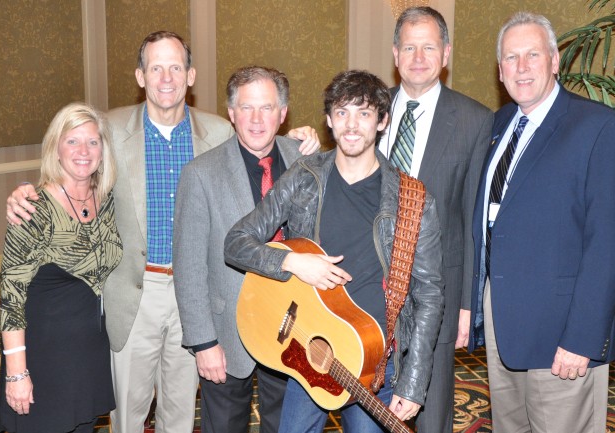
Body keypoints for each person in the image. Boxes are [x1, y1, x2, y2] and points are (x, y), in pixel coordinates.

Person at [5, 31, 320, 433]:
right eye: (156, 67)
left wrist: (299, 136)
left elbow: (262, 145)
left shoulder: (221, 130)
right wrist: (27, 191)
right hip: (136, 292)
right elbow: (73, 162)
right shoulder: (111, 130)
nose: (166, 77)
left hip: (203, 295)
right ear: (140, 76)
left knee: (180, 413)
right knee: (128, 413)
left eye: (176, 67)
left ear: (191, 76)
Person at [224, 69, 445, 433]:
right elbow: (237, 242)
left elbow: (430, 295)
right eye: (342, 113)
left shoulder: (414, 199)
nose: (352, 124)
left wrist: (414, 382)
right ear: (328, 121)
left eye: (364, 113)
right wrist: (293, 262)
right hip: (312, 346)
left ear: (382, 121)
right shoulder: (304, 177)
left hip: (374, 360)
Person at [465, 12, 615, 433]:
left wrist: (582, 338)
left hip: (562, 332)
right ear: (500, 70)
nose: (521, 67)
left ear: (555, 60)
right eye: (511, 58)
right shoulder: (498, 124)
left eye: (532, 55)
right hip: (504, 326)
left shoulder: (599, 127)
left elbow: (611, 242)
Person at [377, 7, 493, 432]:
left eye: (429, 47)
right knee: (367, 408)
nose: (419, 56)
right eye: (409, 46)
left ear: (445, 54)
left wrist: (467, 303)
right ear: (395, 53)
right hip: (368, 292)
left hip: (435, 295)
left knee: (430, 415)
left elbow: (470, 221)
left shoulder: (474, 120)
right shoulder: (370, 110)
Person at [173, 66, 306, 433]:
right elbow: (189, 267)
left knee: (287, 426)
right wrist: (203, 343)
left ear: (283, 113)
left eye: (267, 108)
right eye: (246, 108)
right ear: (231, 113)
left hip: (293, 326)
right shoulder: (201, 174)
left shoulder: (308, 161)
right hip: (227, 336)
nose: (257, 119)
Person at [0, 102, 123, 433]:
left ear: (103, 151)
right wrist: (17, 373)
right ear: (55, 148)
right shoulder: (32, 211)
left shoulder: (108, 200)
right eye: (72, 141)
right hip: (45, 360)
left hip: (89, 355)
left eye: (93, 142)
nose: (83, 151)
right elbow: (11, 299)